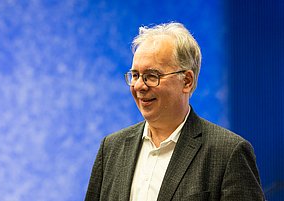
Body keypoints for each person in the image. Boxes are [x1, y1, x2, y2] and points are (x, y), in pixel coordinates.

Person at [85, 22, 265, 201]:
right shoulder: (111, 148)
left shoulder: (228, 153)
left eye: (152, 76)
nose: (139, 85)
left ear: (186, 81)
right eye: (135, 75)